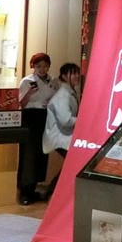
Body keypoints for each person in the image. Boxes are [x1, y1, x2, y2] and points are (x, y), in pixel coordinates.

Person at [18, 52, 57, 205]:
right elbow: (21, 103)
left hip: (46, 117)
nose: (42, 69)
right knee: (29, 154)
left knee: (41, 153)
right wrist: (29, 93)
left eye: (45, 66)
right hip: (30, 117)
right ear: (33, 66)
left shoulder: (52, 81)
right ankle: (24, 191)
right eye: (38, 66)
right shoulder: (27, 81)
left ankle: (34, 189)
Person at [41, 63, 81, 200]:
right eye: (72, 73)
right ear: (64, 76)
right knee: (73, 164)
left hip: (64, 136)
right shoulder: (62, 95)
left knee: (71, 165)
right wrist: (83, 120)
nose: (76, 76)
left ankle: (53, 193)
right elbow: (65, 120)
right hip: (60, 137)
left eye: (77, 73)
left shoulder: (68, 92)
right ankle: (53, 193)